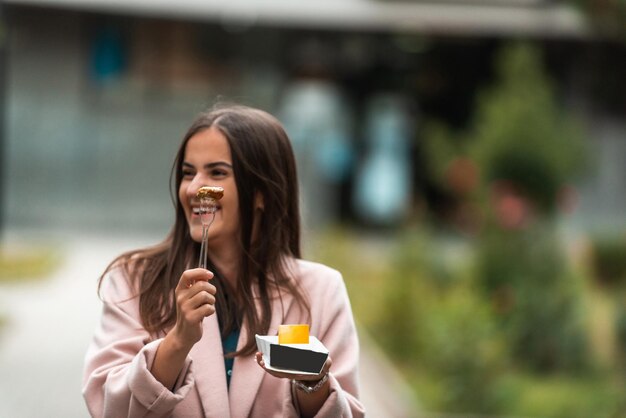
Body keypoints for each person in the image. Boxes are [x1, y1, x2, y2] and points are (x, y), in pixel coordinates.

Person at [82, 104, 365, 418]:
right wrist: (177, 342)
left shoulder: (320, 290)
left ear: (261, 192)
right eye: (188, 173)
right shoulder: (135, 280)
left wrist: (314, 382)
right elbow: (107, 406)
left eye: (217, 172)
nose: (193, 188)